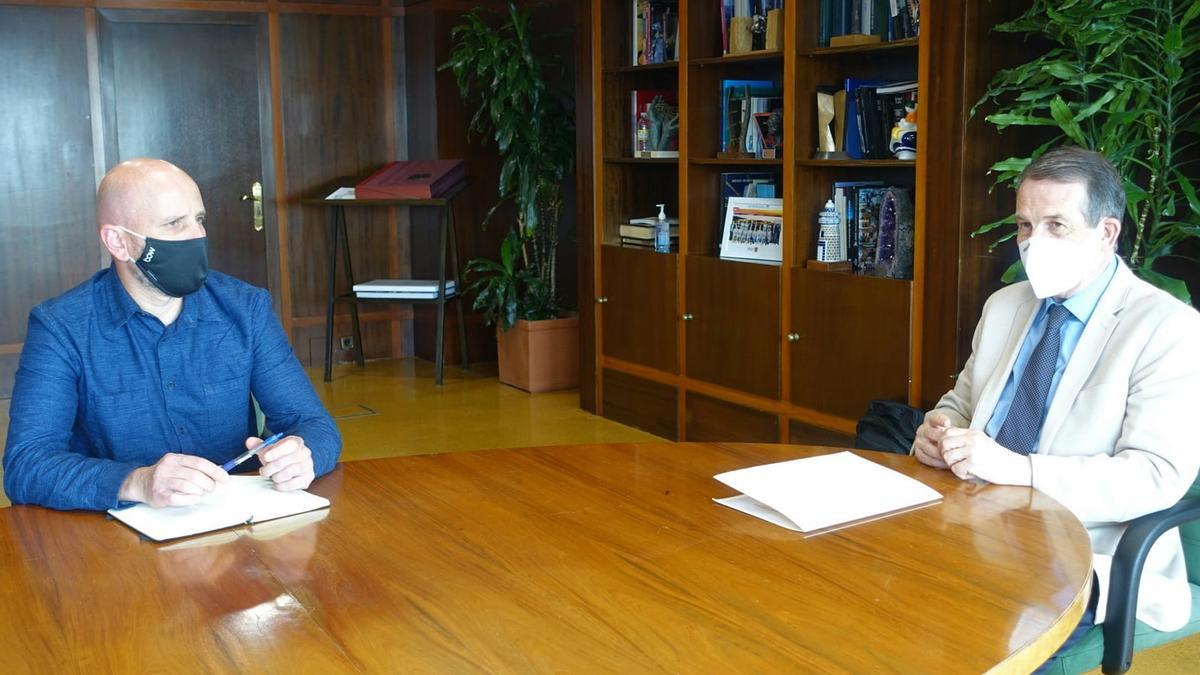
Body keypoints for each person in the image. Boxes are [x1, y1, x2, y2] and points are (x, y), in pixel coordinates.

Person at [912, 146, 1200, 664]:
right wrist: (939, 428)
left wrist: (1020, 470)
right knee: (868, 588)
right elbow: (959, 401)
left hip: (1080, 549)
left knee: (965, 641)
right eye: (1025, 225)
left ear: (1107, 233)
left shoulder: (1167, 329)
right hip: (971, 519)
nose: (1033, 242)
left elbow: (1157, 476)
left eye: (1056, 226)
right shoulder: (1005, 305)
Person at [3, 158, 341, 511]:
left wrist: (304, 455)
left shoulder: (246, 308)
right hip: (115, 539)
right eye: (174, 224)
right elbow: (26, 465)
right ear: (118, 242)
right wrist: (137, 481)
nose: (197, 237)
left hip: (237, 525)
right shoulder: (60, 327)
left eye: (199, 220)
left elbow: (313, 424)